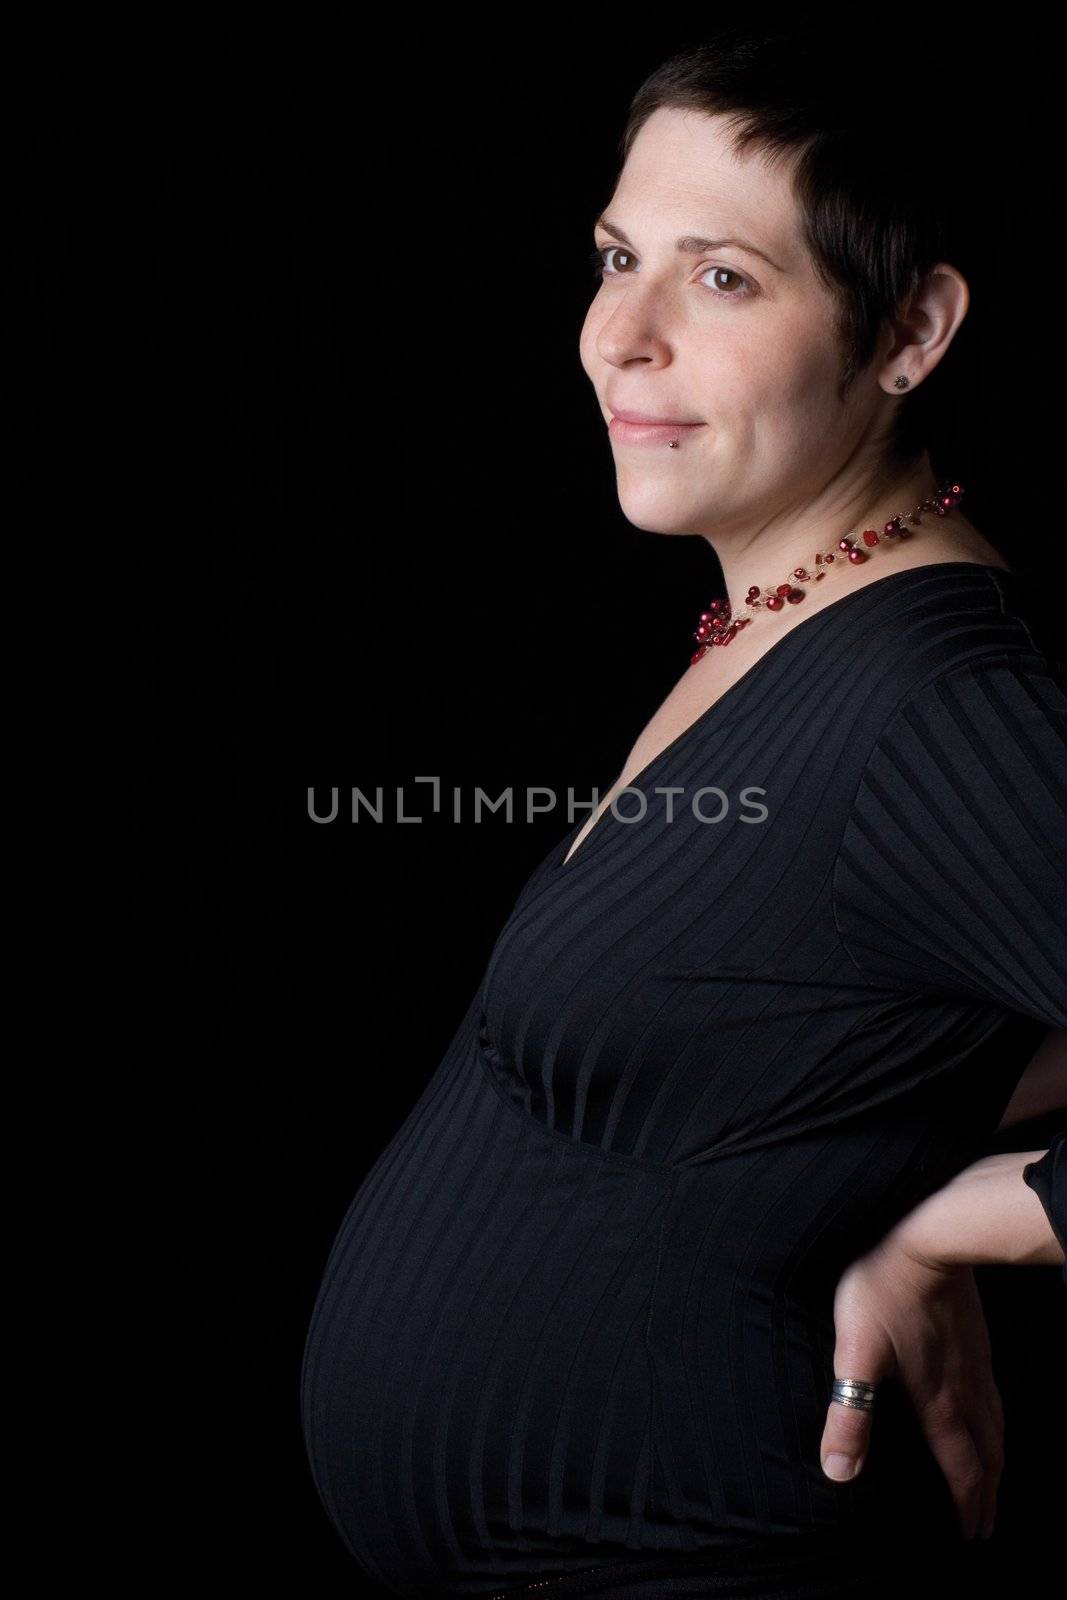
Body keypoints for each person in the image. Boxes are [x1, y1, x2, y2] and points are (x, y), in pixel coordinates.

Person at [300, 27, 1067, 1599]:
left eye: (722, 278)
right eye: (616, 256)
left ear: (912, 329)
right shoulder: (787, 612)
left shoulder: (941, 709)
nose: (616, 337)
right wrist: (910, 1136)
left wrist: (974, 1222)